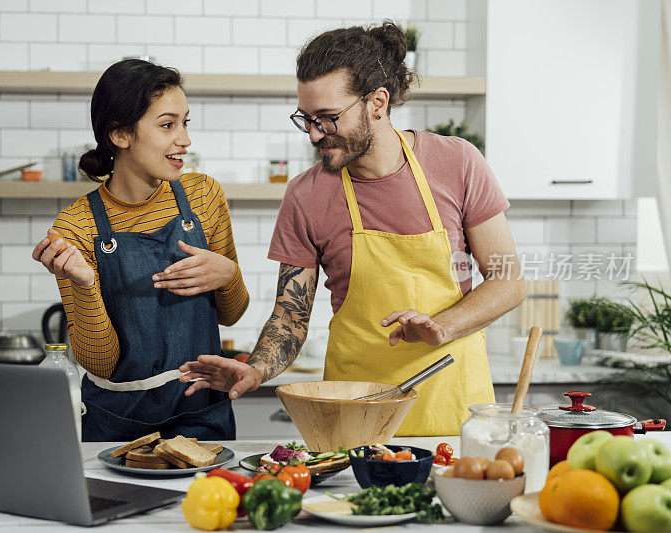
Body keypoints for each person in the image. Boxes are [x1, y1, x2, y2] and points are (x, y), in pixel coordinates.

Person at [178, 21, 526, 436]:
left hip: (452, 410)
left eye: (327, 118)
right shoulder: (306, 195)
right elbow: (290, 315)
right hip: (354, 416)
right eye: (305, 119)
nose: (313, 134)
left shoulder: (458, 163)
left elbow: (509, 280)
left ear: (377, 102)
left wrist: (442, 327)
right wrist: (254, 369)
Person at [32, 60, 249, 442]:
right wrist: (83, 286)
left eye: (185, 122)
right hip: (118, 425)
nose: (184, 140)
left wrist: (227, 274)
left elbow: (232, 315)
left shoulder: (203, 196)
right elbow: (101, 361)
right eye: (168, 125)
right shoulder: (75, 228)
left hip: (202, 413)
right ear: (120, 134)